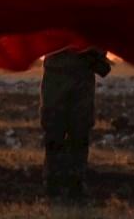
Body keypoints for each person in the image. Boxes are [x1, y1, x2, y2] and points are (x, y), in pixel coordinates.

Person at [39, 47, 111, 200]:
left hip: (78, 75)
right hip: (60, 73)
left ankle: (74, 184)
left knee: (79, 133)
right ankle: (55, 184)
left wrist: (96, 56)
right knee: (55, 133)